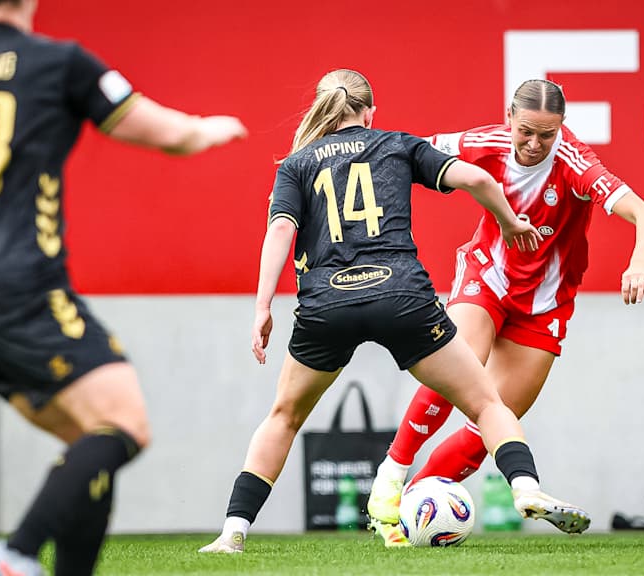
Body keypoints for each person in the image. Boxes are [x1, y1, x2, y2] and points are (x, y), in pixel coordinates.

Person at [0, 1, 246, 574]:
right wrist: (207, 129)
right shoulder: (58, 62)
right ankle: (16, 551)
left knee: (93, 441)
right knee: (125, 423)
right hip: (25, 286)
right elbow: (170, 134)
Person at [198, 69, 590, 554]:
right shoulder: (396, 144)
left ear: (323, 110)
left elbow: (280, 230)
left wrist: (262, 307)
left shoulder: (296, 164)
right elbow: (477, 177)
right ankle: (525, 486)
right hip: (401, 297)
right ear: (370, 113)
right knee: (487, 403)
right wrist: (509, 222)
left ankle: (233, 531)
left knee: (283, 417)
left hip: (327, 306)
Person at [367, 79, 644, 544]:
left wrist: (639, 263)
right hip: (488, 278)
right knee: (458, 369)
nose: (534, 144)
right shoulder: (486, 142)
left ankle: (409, 513)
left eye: (547, 134)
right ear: (509, 118)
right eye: (526, 131)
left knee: (490, 422)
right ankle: (389, 478)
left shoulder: (576, 163)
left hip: (545, 304)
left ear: (561, 128)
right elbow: (405, 152)